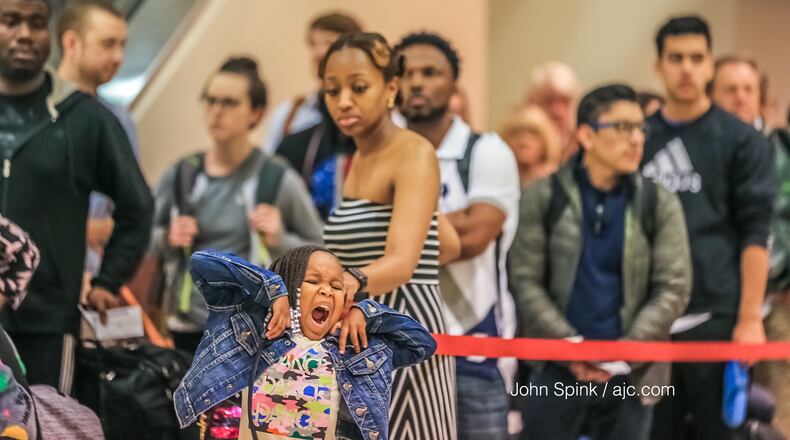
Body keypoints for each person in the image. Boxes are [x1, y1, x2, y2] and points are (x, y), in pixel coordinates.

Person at [509, 84, 692, 440]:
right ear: (587, 135)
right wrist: (571, 349)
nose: (636, 139)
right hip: (556, 370)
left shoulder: (658, 202)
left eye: (641, 128)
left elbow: (674, 286)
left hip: (632, 374)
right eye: (622, 127)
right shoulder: (544, 197)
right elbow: (524, 280)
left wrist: (623, 353)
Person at [0, 0, 153, 394]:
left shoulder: (86, 119)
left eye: (36, 23)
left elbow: (138, 207)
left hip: (46, 326)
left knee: (43, 429)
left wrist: (107, 280)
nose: (24, 34)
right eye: (10, 21)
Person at [642, 16, 776, 440]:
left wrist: (750, 319)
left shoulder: (741, 140)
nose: (686, 68)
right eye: (676, 58)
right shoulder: (637, 138)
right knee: (654, 432)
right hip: (648, 322)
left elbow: (756, 233)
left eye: (697, 58)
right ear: (658, 65)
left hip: (717, 321)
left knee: (719, 433)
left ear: (710, 65)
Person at [320, 32, 459, 440]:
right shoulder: (358, 159)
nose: (344, 100)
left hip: (404, 333)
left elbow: (403, 262)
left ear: (391, 88)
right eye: (332, 90)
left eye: (359, 87)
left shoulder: (412, 152)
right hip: (364, 330)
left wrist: (347, 283)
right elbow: (446, 243)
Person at [151, 56, 323, 354]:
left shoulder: (275, 176)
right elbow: (142, 238)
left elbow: (320, 254)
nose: (216, 112)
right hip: (187, 330)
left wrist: (280, 240)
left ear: (255, 113)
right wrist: (167, 238)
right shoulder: (184, 172)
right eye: (210, 101)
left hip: (253, 332)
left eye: (229, 103)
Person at [173, 247, 437, 440]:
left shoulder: (351, 349)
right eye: (313, 281)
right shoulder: (256, 327)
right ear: (290, 285)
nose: (326, 290)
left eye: (336, 286)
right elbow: (202, 262)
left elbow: (421, 344)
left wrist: (366, 314)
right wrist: (273, 289)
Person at [395, 31, 520, 440]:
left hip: (473, 342)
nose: (416, 82)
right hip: (393, 347)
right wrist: (450, 219)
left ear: (454, 84)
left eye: (430, 72)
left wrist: (397, 227)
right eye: (406, 72)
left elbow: (471, 238)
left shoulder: (487, 151)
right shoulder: (376, 155)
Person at [55, 0, 141, 297]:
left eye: (122, 45)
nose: (117, 56)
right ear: (71, 42)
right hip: (45, 276)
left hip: (98, 276)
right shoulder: (40, 110)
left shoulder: (118, 119)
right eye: (107, 44)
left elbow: (133, 206)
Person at [261, 11, 362, 155]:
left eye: (329, 43)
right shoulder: (288, 114)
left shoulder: (373, 113)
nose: (318, 52)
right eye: (313, 44)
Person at [524, 61, 581, 163]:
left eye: (565, 101)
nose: (557, 112)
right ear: (531, 103)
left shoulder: (585, 146)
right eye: (548, 101)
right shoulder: (520, 147)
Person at [498, 104, 562, 187]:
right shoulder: (498, 179)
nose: (523, 141)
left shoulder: (557, 182)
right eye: (516, 133)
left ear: (546, 141)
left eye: (533, 133)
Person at [708, 55, 763, 130]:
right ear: (710, 96)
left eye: (748, 89)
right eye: (731, 90)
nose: (741, 97)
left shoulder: (774, 139)